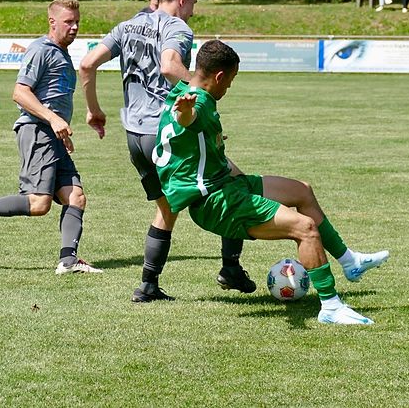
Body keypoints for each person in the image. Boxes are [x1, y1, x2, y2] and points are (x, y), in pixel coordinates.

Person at [153, 40, 390, 325]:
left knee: (302, 191)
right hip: (215, 201)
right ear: (219, 76)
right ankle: (330, 306)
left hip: (227, 183)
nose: (229, 87)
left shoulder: (183, 89)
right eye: (231, 80)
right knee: (305, 229)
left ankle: (350, 262)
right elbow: (187, 119)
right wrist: (186, 113)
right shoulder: (198, 102)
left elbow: (186, 124)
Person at [79, 0, 255, 303]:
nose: (193, 11)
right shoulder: (178, 28)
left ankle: (148, 285)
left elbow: (87, 64)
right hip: (166, 133)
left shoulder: (128, 26)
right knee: (234, 183)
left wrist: (94, 111)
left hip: (135, 136)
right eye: (194, 3)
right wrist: (202, 102)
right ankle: (230, 267)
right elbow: (169, 65)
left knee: (166, 206)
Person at [0, 0, 102, 275]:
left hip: (53, 135)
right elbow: (20, 92)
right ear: (52, 22)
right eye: (68, 22)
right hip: (37, 131)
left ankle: (68, 261)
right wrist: (53, 119)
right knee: (39, 203)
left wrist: (61, 130)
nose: (75, 27)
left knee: (75, 197)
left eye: (77, 22)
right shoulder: (40, 50)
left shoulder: (62, 53)